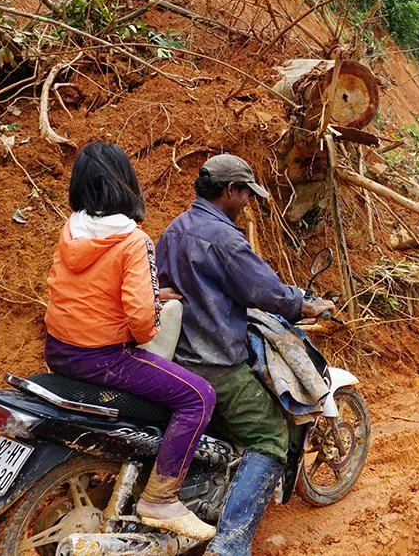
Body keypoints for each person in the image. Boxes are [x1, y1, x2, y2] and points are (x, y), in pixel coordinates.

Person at [155, 154, 335, 555]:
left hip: (171, 360)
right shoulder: (225, 238)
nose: (248, 202)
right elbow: (263, 291)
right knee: (271, 436)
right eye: (245, 194)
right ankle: (231, 546)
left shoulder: (173, 231)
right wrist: (305, 303)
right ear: (230, 190)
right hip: (214, 361)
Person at [43, 142, 216, 540]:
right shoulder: (133, 240)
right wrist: (153, 315)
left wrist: (152, 295)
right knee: (199, 396)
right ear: (126, 183)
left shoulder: (71, 230)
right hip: (104, 357)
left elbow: (91, 290)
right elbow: (141, 322)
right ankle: (160, 497)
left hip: (59, 352)